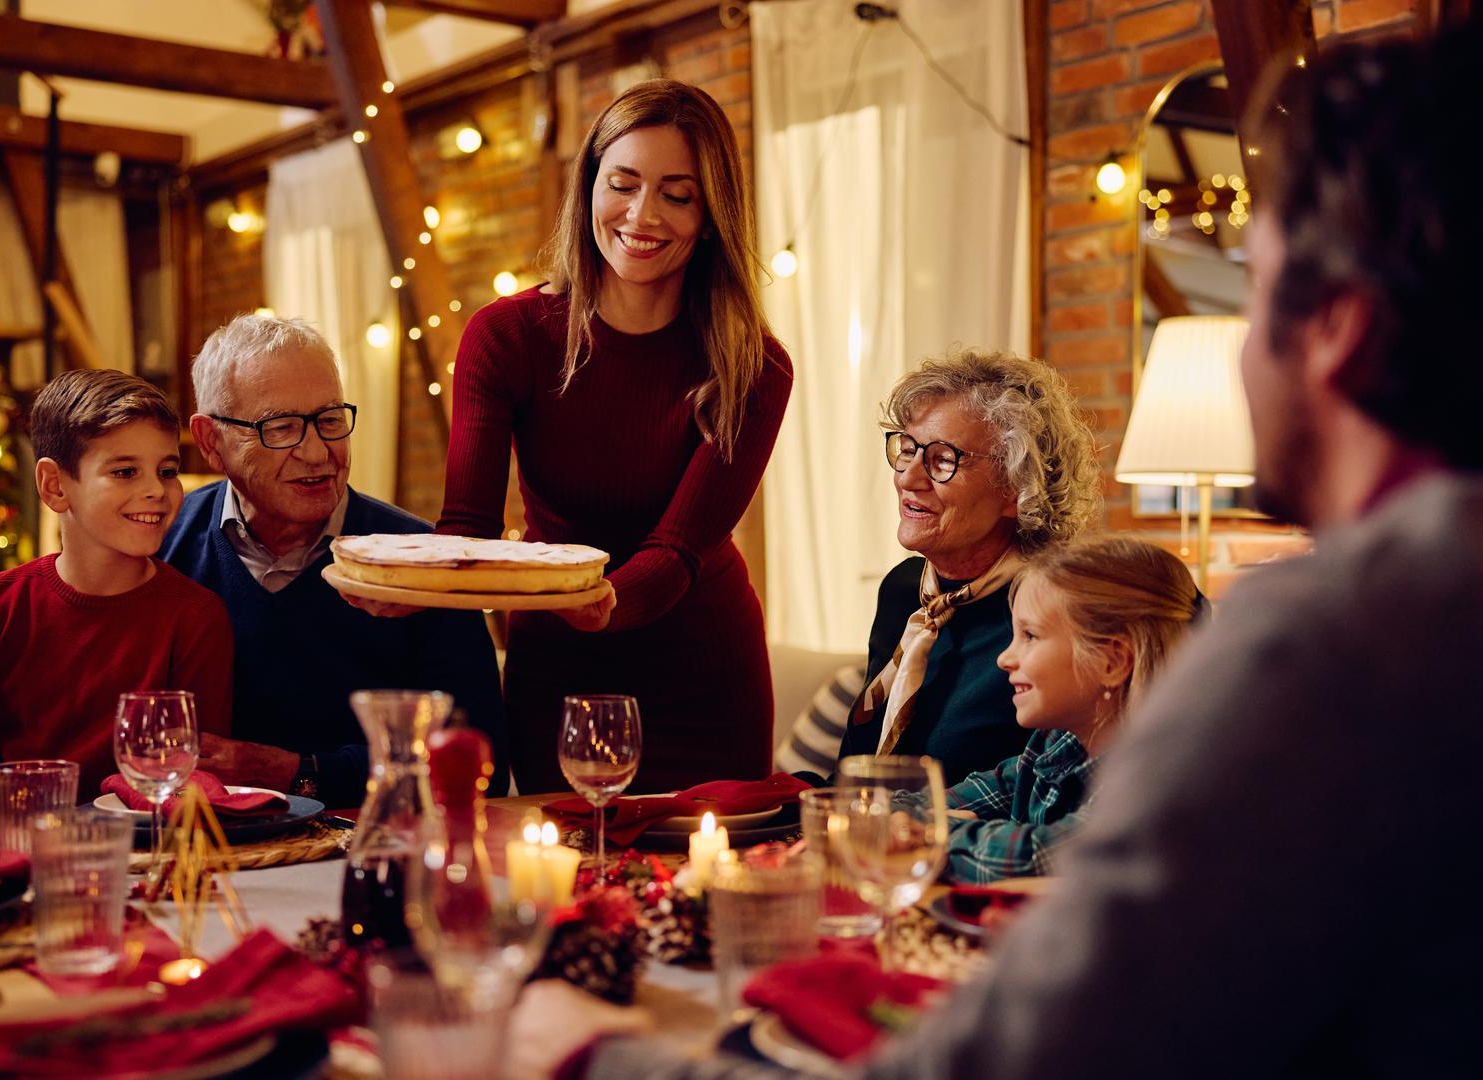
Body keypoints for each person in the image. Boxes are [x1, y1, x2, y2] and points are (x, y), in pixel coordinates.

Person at [509, 22, 1483, 1076]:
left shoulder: (1333, 650)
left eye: (1255, 294)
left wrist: (594, 1055)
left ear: (1336, 329)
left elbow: (1022, 1047)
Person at [355, 80, 792, 794]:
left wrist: (603, 600)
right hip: (558, 667)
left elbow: (677, 551)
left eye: (677, 195)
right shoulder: (507, 337)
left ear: (712, 214)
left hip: (704, 675)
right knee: (566, 885)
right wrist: (422, 587)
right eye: (622, 184)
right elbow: (468, 524)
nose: (642, 215)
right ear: (588, 186)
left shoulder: (756, 364)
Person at [160, 314, 507, 807]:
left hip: (377, 851)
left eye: (328, 420)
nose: (316, 451)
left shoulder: (423, 560)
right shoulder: (163, 549)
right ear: (213, 442)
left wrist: (301, 773)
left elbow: (476, 760)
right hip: (211, 854)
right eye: (280, 427)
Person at [0, 370, 233, 818]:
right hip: (17, 855)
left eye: (167, 471)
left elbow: (192, 787)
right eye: (125, 471)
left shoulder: (196, 618)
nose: (156, 490)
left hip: (145, 856)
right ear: (55, 486)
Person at [839, 348, 1102, 785]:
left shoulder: (1054, 610)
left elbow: (1039, 793)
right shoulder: (905, 589)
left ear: (1018, 489)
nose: (907, 478)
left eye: (942, 459)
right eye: (907, 449)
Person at [944, 537, 1197, 883]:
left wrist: (933, 836)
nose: (1004, 658)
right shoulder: (1053, 750)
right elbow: (933, 801)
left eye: (1029, 635)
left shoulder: (1164, 780)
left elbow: (1036, 855)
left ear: (1112, 661)